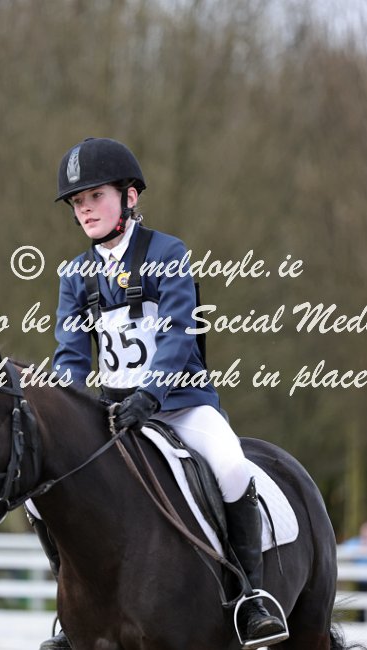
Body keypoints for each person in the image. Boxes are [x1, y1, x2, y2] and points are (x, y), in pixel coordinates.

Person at [35, 137, 287, 650]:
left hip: (179, 405)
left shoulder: (167, 253)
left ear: (129, 197)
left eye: (96, 196)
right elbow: (70, 357)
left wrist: (150, 395)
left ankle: (251, 597)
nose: (85, 209)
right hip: (112, 413)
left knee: (232, 467)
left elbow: (177, 334)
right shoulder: (75, 276)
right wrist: (66, 407)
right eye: (77, 202)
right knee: (42, 497)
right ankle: (75, 610)